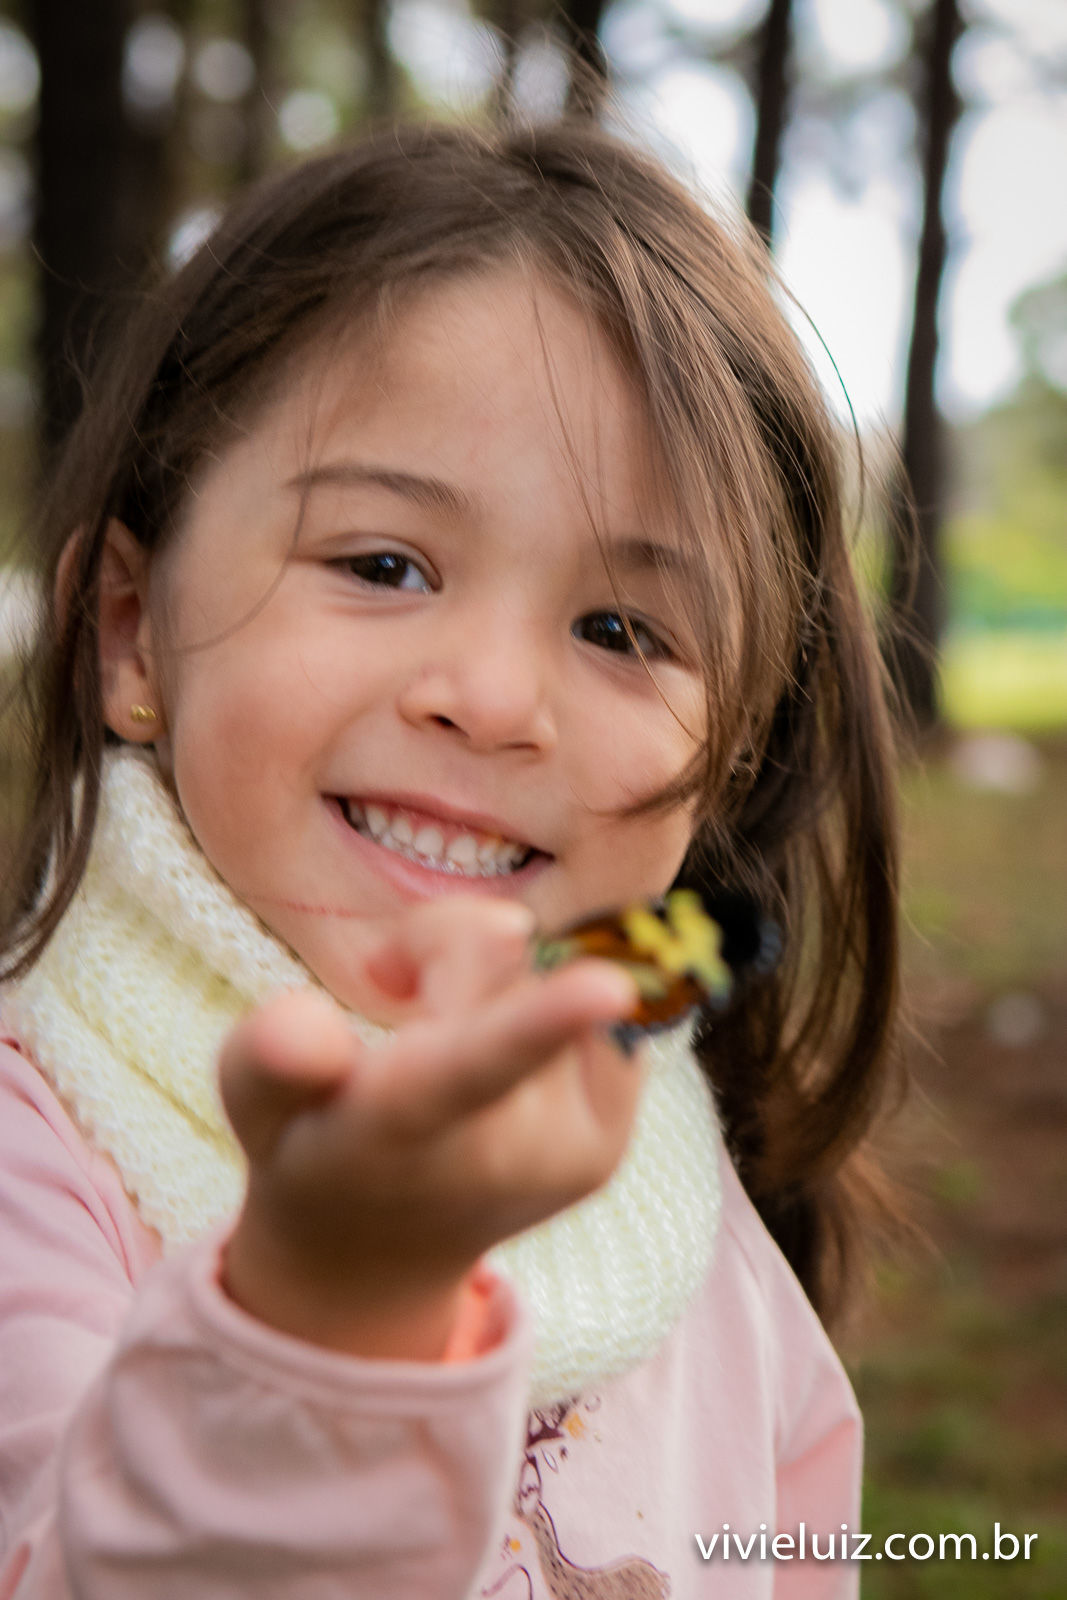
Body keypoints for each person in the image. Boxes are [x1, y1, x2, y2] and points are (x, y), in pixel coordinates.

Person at [0, 118, 901, 1598]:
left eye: (622, 631)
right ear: (129, 629)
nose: (487, 698)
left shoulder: (694, 1209)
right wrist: (329, 1313)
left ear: (726, 762)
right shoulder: (39, 1168)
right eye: (383, 564)